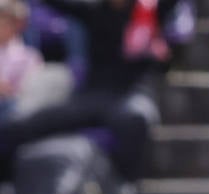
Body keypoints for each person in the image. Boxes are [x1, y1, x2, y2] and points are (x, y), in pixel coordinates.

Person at [0, 0, 178, 182]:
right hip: (92, 96)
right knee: (17, 126)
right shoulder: (94, 11)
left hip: (132, 94)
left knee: (137, 119)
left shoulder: (149, 11)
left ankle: (124, 184)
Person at [0, 0, 40, 122]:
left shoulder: (29, 56)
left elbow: (32, 92)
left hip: (12, 109)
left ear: (16, 25)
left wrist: (9, 91)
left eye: (4, 21)